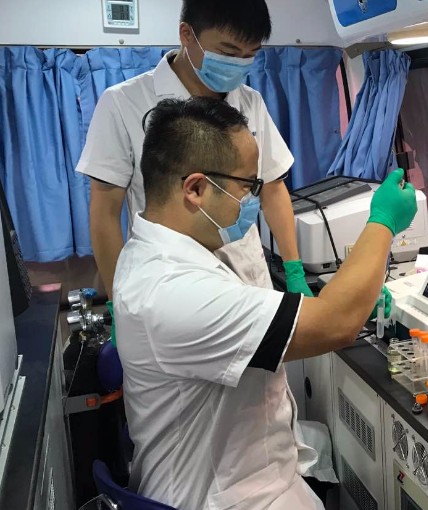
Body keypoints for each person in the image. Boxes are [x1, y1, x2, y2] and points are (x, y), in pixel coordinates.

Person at [114, 96, 417, 509]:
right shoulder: (171, 290)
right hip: (226, 498)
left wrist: (352, 284)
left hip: (246, 476)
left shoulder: (159, 253)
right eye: (247, 186)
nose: (254, 200)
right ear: (196, 189)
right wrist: (382, 222)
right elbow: (337, 323)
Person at [77, 0, 314, 299]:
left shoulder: (250, 101)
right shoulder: (123, 103)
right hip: (169, 284)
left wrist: (294, 271)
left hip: (247, 281)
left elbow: (272, 186)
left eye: (250, 55)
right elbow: (105, 212)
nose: (239, 64)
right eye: (228, 53)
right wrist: (117, 298)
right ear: (187, 34)